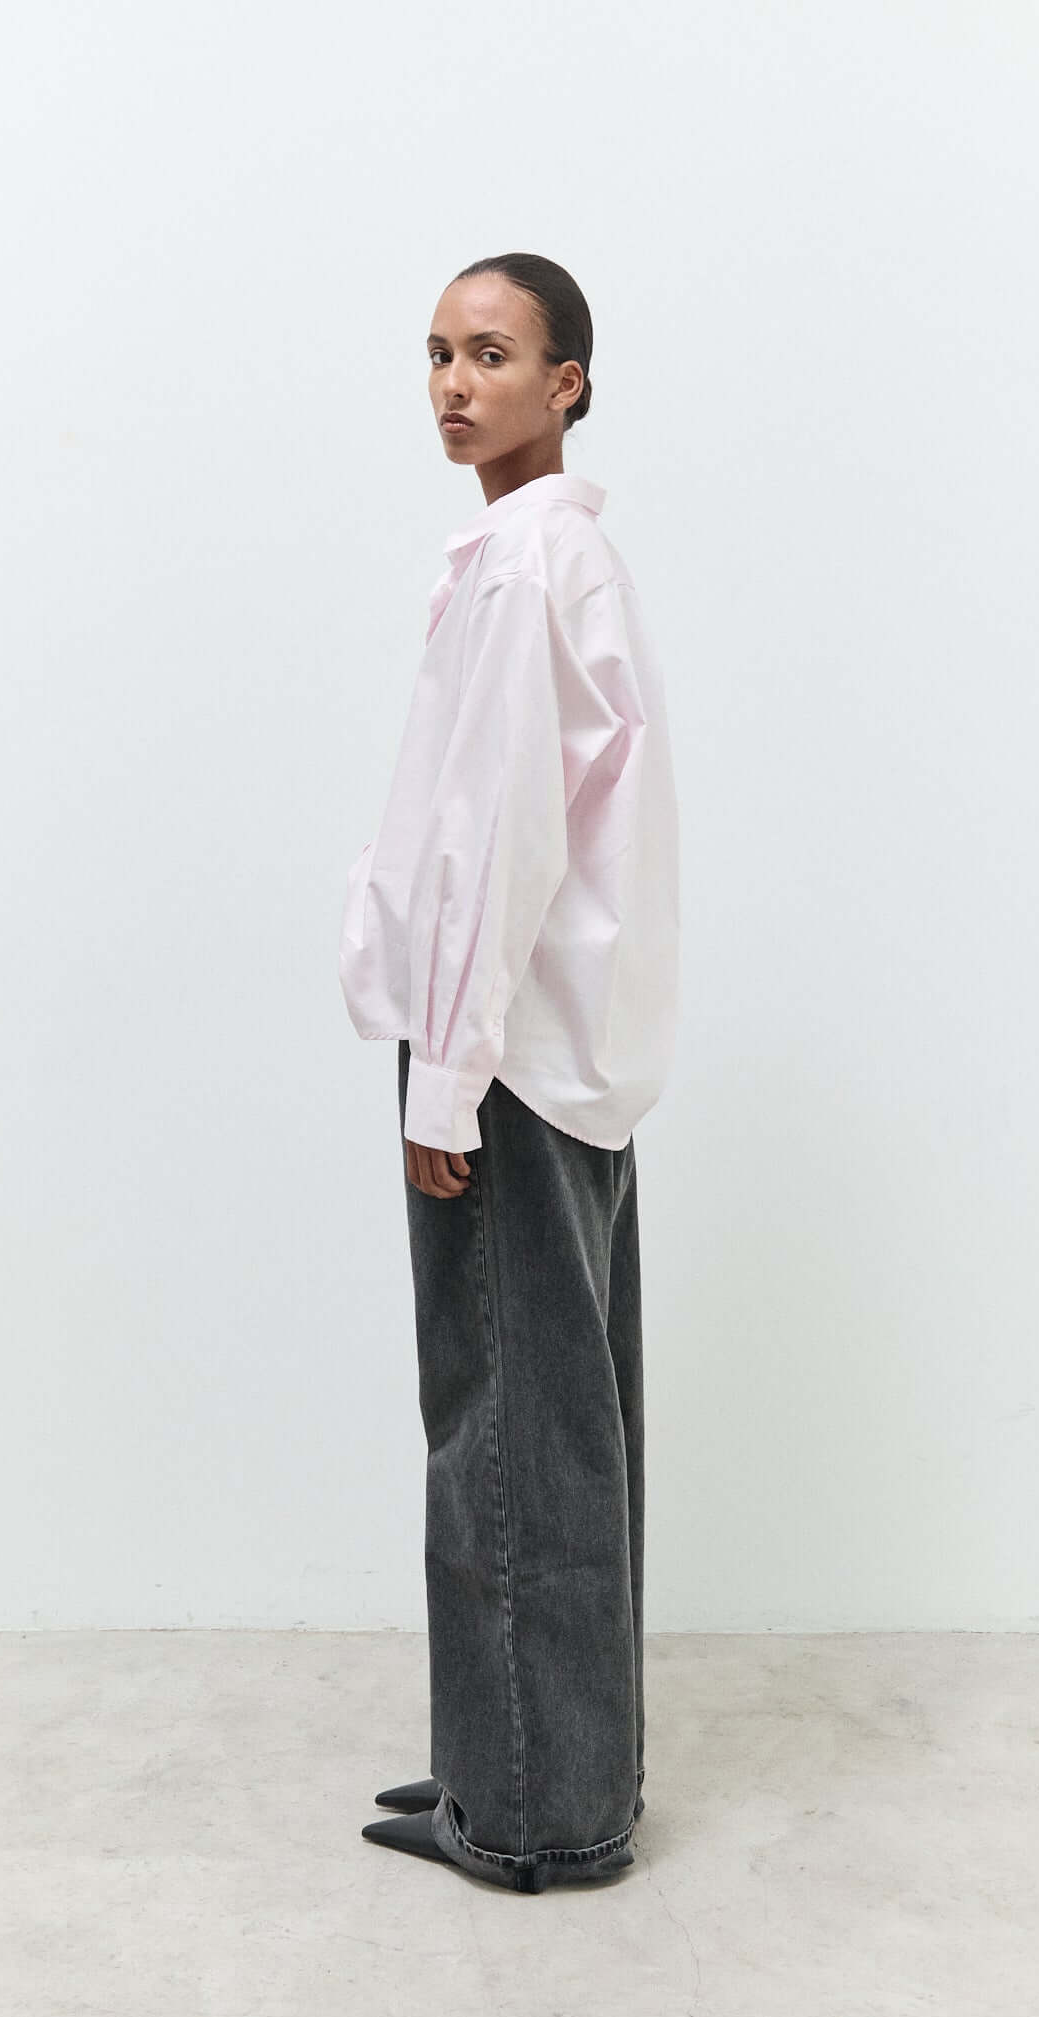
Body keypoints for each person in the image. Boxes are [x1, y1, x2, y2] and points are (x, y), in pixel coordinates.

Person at [338, 251, 679, 1894]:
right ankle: (525, 1760)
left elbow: (500, 840)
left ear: (569, 383)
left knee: (505, 1430)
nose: (454, 385)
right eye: (437, 354)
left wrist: (445, 1079)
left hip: (505, 1058)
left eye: (491, 354)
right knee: (562, 1421)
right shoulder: (541, 555)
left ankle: (535, 1808)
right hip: (554, 1052)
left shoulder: (529, 567)